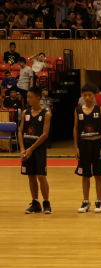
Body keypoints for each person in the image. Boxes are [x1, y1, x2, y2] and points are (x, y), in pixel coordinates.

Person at [74, 83, 101, 213]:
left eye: (90, 95)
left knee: (98, 175)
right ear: (82, 96)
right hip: (83, 144)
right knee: (85, 175)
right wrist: (76, 147)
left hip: (97, 143)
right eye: (85, 95)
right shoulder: (78, 110)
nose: (87, 97)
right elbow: (75, 129)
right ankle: (86, 201)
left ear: (95, 96)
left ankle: (99, 201)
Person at [19, 86, 52, 214]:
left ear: (38, 98)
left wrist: (31, 149)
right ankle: (35, 203)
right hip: (27, 148)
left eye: (30, 97)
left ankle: (46, 203)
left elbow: (45, 134)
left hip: (38, 148)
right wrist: (23, 149)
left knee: (41, 176)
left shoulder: (46, 113)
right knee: (31, 176)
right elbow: (20, 132)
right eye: (27, 97)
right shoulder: (25, 112)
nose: (27, 99)